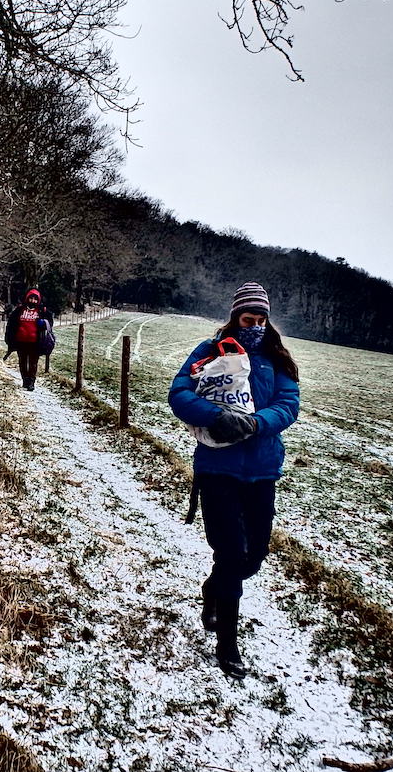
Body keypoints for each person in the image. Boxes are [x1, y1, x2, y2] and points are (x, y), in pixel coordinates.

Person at [168, 281, 300, 679]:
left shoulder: (278, 359)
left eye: (262, 319)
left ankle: (213, 592)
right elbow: (179, 393)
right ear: (235, 316)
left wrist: (258, 422)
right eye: (249, 318)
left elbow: (289, 404)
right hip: (218, 468)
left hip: (262, 469)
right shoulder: (210, 351)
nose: (256, 325)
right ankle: (228, 641)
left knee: (253, 556)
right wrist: (216, 418)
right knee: (229, 553)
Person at [4, 288, 53, 390]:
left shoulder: (41, 310)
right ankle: (25, 380)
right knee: (22, 362)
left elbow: (50, 323)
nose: (33, 301)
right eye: (31, 298)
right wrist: (10, 339)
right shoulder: (20, 310)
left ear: (38, 300)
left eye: (35, 299)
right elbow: (11, 324)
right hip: (20, 341)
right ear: (27, 298)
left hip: (35, 342)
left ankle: (31, 382)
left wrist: (43, 323)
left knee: (33, 363)